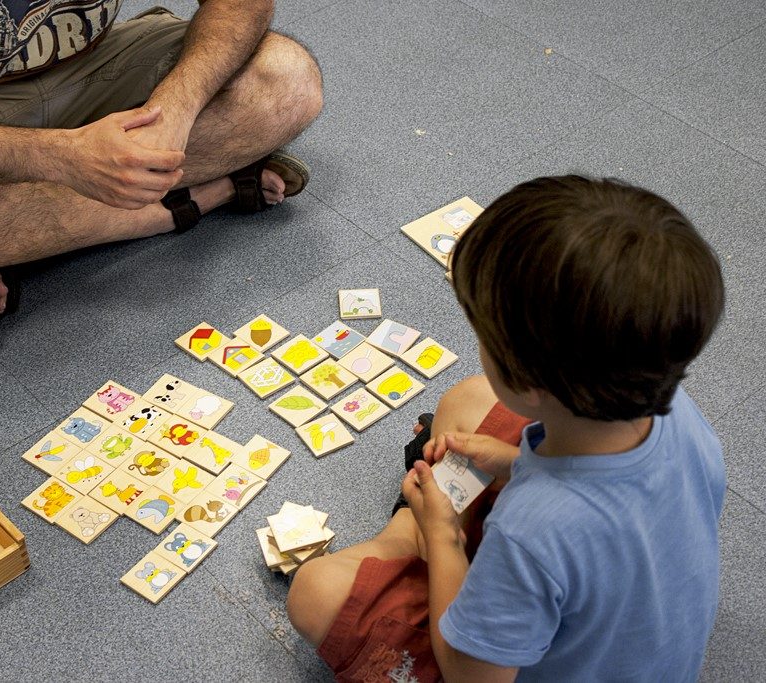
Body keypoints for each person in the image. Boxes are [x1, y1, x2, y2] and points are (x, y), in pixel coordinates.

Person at [287, 175, 727, 681]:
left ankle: (408, 534)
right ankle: (427, 529)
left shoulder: (530, 534)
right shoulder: (680, 416)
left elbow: (471, 675)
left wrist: (444, 538)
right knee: (468, 400)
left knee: (315, 590)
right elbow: (621, 510)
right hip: (609, 614)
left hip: (496, 662)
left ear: (527, 379)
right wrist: (517, 463)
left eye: (483, 335)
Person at [0, 0, 323, 331]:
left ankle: (14, 239)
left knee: (288, 80)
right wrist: (62, 157)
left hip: (100, 64)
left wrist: (176, 109)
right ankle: (203, 194)